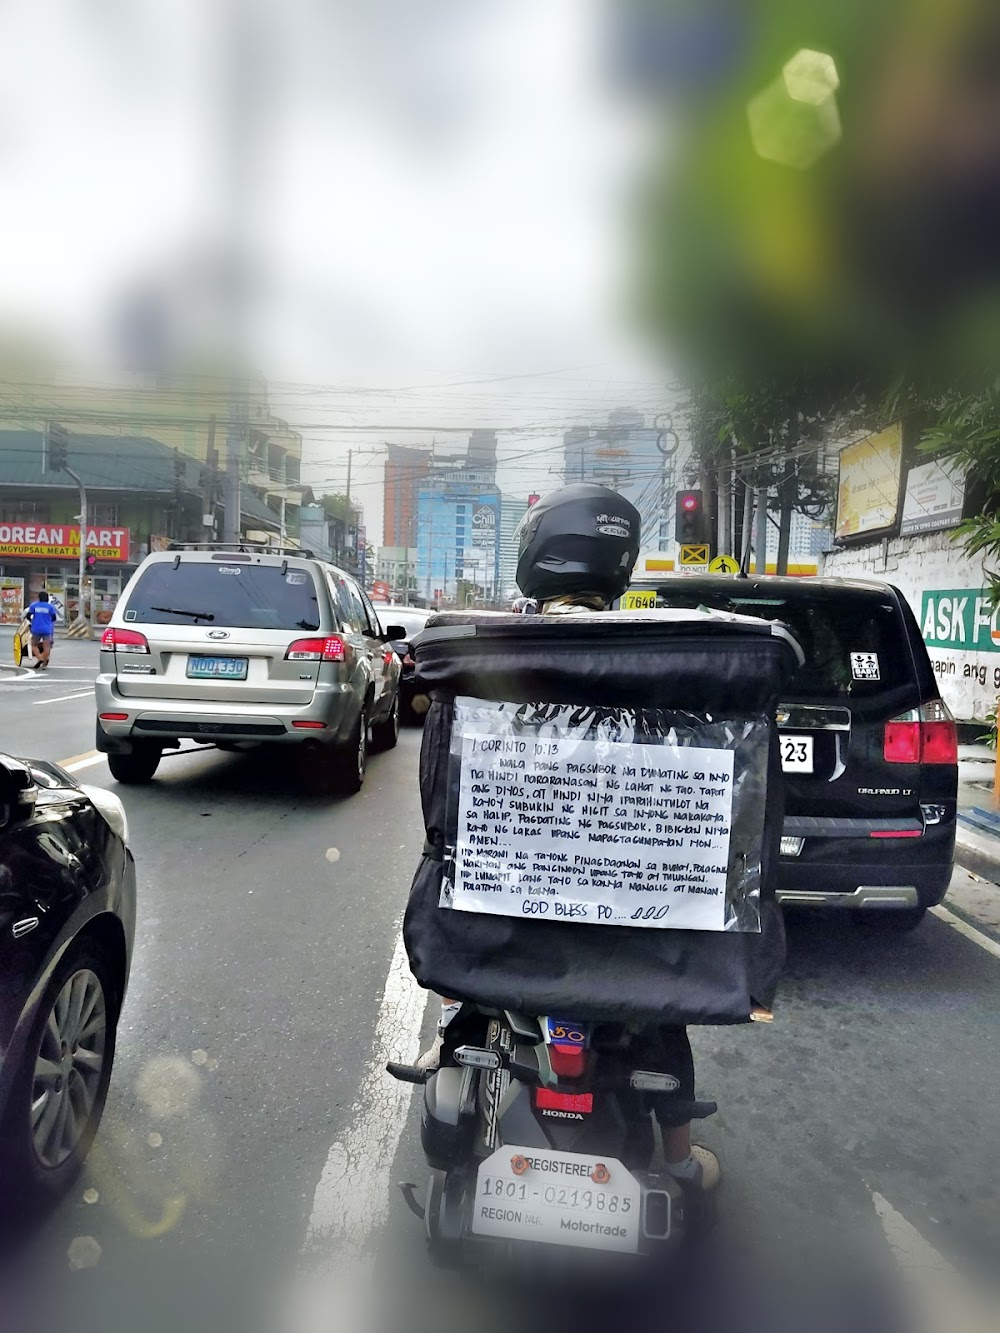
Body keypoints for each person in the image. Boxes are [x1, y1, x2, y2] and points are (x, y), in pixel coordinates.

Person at [412, 484, 720, 1192]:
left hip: (508, 913)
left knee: (465, 943)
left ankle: (450, 1038)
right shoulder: (655, 659)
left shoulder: (486, 652)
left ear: (534, 556)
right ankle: (678, 1156)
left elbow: (442, 796)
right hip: (626, 922)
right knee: (660, 1015)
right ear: (618, 560)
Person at [23, 590, 57, 670]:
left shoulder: (34, 606)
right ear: (47, 598)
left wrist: (33, 622)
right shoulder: (50, 607)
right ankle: (44, 665)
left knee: (34, 645)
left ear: (39, 598)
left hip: (36, 628)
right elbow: (54, 618)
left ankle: (39, 658)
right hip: (47, 629)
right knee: (47, 647)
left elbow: (28, 616)